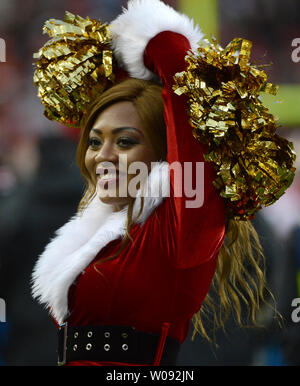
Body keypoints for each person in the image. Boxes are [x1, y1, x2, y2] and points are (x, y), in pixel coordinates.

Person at [31, 0, 295, 366]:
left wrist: (147, 35)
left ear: (164, 152)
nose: (102, 155)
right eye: (94, 141)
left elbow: (181, 97)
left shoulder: (182, 226)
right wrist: (118, 64)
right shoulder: (110, 230)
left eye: (124, 142)